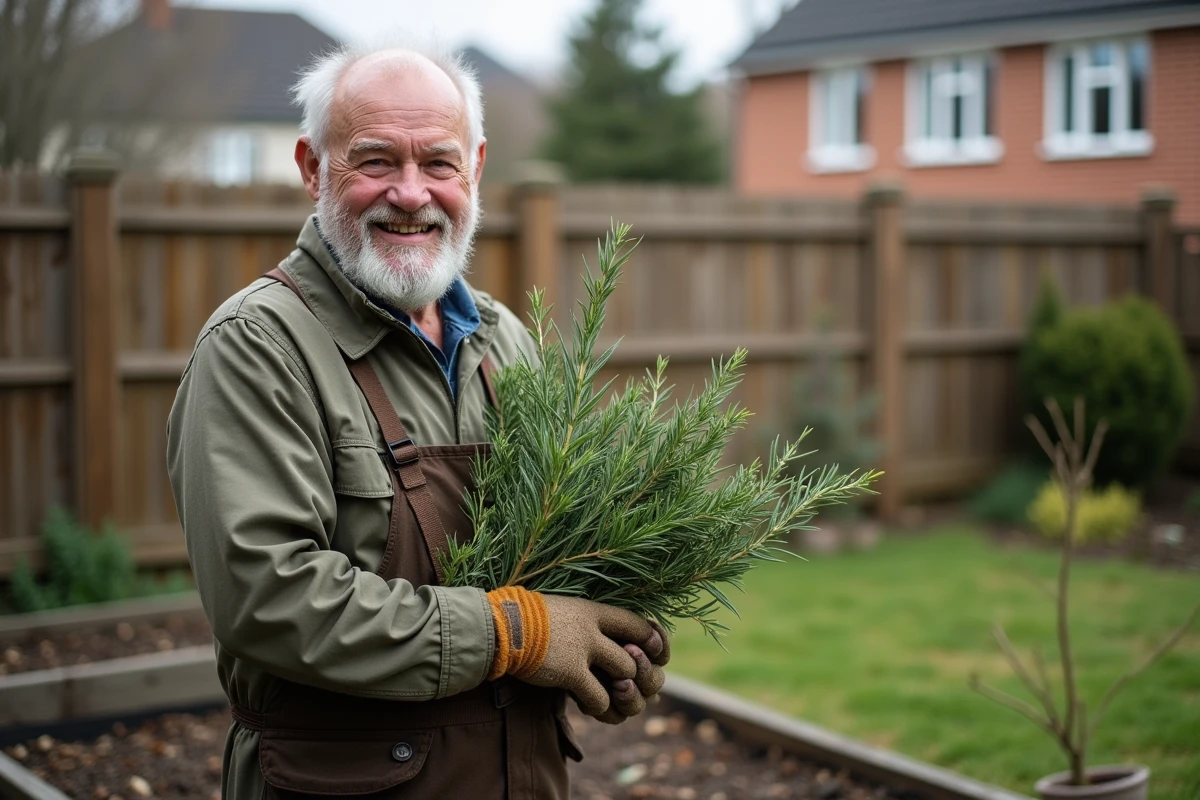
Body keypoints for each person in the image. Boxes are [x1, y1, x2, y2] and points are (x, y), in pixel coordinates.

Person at [166, 39, 668, 800]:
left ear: (475, 169)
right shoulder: (257, 348)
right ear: (311, 168)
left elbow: (555, 556)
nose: (410, 192)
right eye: (375, 161)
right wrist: (520, 633)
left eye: (438, 162)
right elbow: (268, 597)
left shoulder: (504, 339)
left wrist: (608, 648)